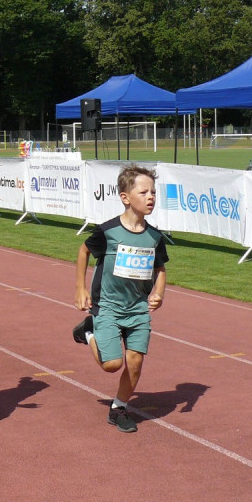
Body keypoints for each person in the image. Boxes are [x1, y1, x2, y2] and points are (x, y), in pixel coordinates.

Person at [72, 165, 167, 434]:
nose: (151, 197)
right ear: (125, 197)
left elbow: (160, 270)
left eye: (153, 192)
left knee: (135, 362)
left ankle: (119, 407)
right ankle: (89, 331)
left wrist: (159, 292)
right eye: (144, 192)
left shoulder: (155, 237)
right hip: (109, 305)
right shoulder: (108, 231)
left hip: (137, 308)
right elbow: (83, 251)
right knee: (112, 365)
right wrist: (81, 288)